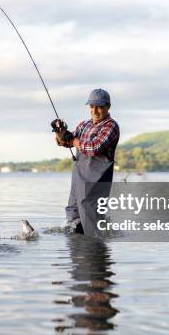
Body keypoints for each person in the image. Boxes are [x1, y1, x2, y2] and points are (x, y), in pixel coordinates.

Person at [51, 88, 120, 237]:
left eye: (100, 106)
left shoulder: (111, 126)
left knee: (91, 225)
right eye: (92, 106)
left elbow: (93, 148)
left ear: (108, 106)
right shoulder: (84, 125)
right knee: (72, 219)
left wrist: (72, 139)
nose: (95, 110)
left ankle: (95, 255)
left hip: (96, 185)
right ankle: (77, 255)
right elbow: (65, 142)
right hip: (78, 182)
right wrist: (59, 132)